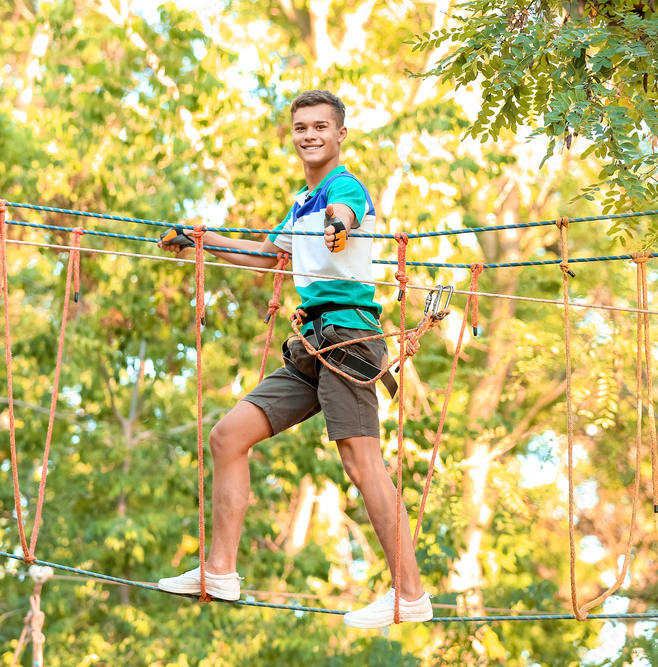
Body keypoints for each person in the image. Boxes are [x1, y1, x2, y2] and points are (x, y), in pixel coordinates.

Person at [156, 90, 432, 629]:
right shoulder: (302, 204)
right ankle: (220, 572)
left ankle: (411, 595)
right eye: (301, 127)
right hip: (311, 345)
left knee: (361, 462)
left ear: (339, 134)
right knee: (227, 436)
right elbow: (266, 257)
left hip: (349, 340)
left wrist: (340, 224)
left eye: (320, 127)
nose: (310, 135)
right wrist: (201, 239)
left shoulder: (339, 189)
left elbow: (345, 211)